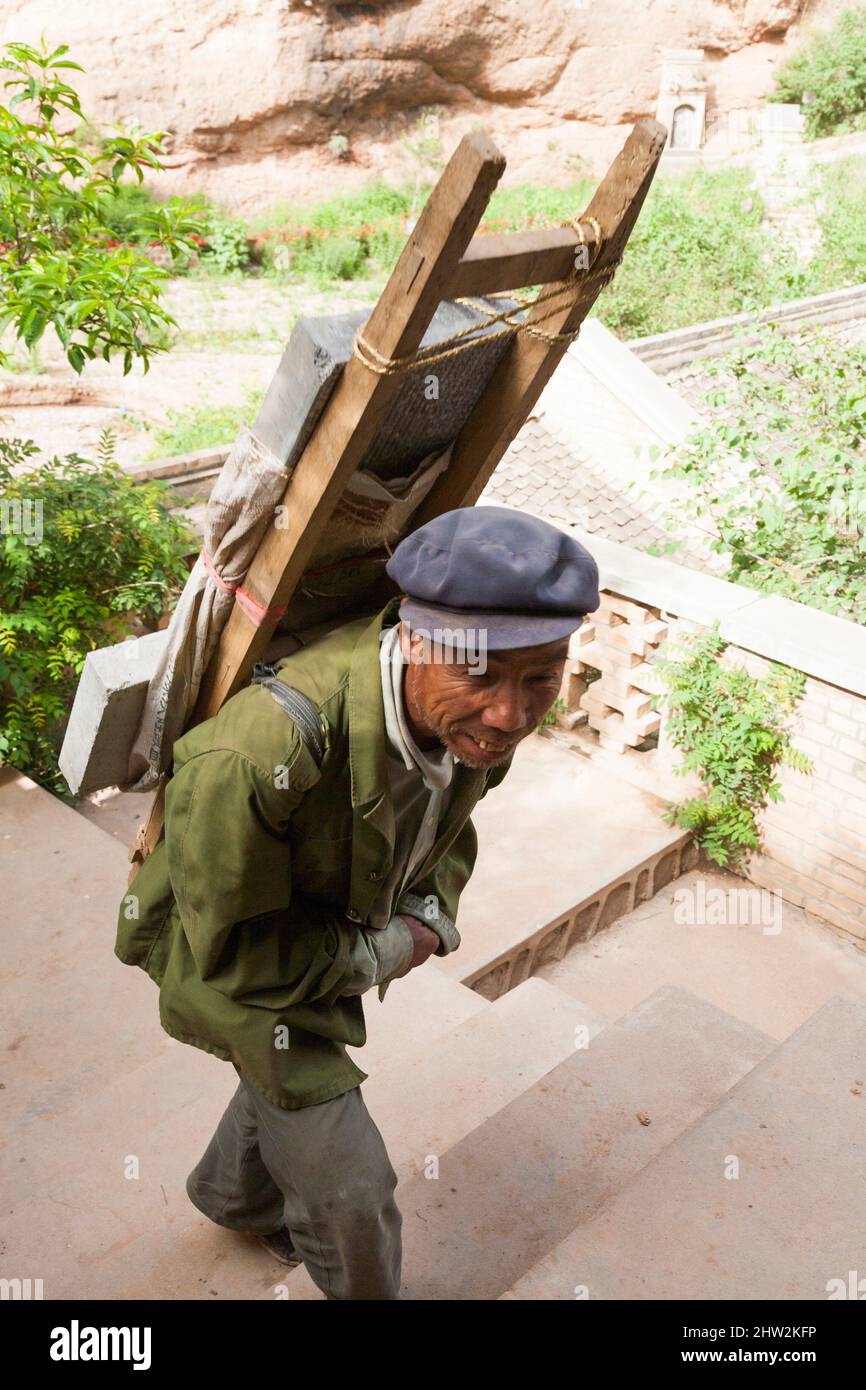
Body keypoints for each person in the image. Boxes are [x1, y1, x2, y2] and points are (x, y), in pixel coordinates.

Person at [115, 503, 599, 1299]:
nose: (511, 715)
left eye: (541, 677)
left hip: (320, 920)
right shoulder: (263, 752)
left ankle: (232, 1197)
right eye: (480, 675)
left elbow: (448, 828)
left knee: (278, 1086)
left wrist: (432, 911)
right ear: (411, 640)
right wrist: (384, 950)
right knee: (353, 1192)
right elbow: (238, 956)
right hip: (222, 954)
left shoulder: (471, 727)